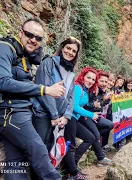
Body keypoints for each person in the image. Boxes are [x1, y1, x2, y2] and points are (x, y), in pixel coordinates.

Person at [0, 18, 64, 179]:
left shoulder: (23, 54)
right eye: (30, 34)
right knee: (39, 151)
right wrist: (45, 90)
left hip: (19, 113)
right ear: (20, 32)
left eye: (38, 38)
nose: (34, 40)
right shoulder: (5, 48)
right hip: (11, 114)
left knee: (15, 163)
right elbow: (2, 82)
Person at [32, 37, 80, 151]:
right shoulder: (49, 62)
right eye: (68, 48)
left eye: (74, 51)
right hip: (43, 113)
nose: (70, 52)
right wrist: (54, 115)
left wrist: (67, 116)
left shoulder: (70, 71)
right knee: (38, 148)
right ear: (62, 47)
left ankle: (43, 169)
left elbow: (71, 95)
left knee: (49, 147)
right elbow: (43, 89)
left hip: (58, 117)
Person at [64, 67, 111, 180]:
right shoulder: (78, 87)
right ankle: (72, 173)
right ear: (83, 76)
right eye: (88, 77)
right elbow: (74, 107)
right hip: (70, 118)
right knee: (71, 146)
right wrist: (90, 115)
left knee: (90, 137)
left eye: (93, 79)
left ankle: (73, 167)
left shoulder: (86, 89)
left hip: (77, 117)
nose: (90, 81)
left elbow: (82, 106)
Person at [83, 70, 114, 153]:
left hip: (96, 115)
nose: (103, 83)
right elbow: (85, 103)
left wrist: (106, 101)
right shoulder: (92, 90)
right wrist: (93, 108)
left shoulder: (102, 91)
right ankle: (100, 157)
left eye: (105, 82)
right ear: (97, 80)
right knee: (96, 135)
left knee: (110, 125)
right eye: (101, 81)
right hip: (86, 115)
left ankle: (93, 139)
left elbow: (99, 105)